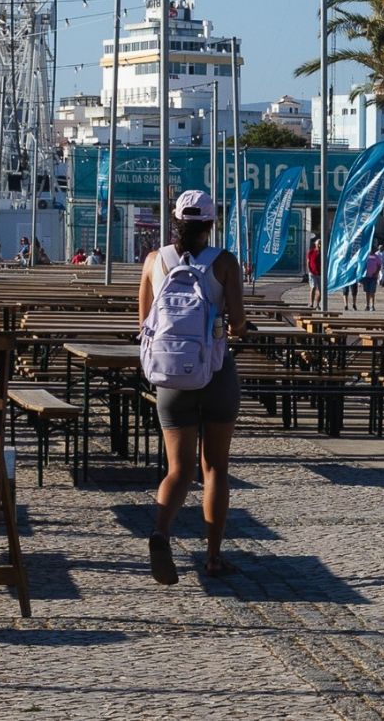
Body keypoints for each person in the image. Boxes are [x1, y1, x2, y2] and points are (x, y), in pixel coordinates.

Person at [138, 190, 246, 583]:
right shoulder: (224, 263)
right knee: (215, 467)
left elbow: (145, 324)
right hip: (215, 373)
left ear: (175, 221)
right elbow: (237, 323)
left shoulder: (154, 261)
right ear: (211, 224)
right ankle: (213, 557)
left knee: (177, 469)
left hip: (170, 377)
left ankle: (160, 530)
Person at [361, 247, 382, 312]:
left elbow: (379, 265)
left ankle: (372, 305)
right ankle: (367, 305)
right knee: (367, 291)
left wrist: (376, 273)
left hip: (373, 277)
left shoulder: (376, 257)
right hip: (366, 276)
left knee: (372, 292)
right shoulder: (365, 256)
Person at [306, 237, 321, 308]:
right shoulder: (311, 252)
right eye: (318, 244)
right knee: (313, 287)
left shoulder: (323, 253)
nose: (319, 245)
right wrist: (309, 271)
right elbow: (308, 262)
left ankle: (318, 304)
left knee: (321, 290)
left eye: (320, 244)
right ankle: (311, 303)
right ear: (315, 244)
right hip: (313, 273)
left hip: (321, 273)